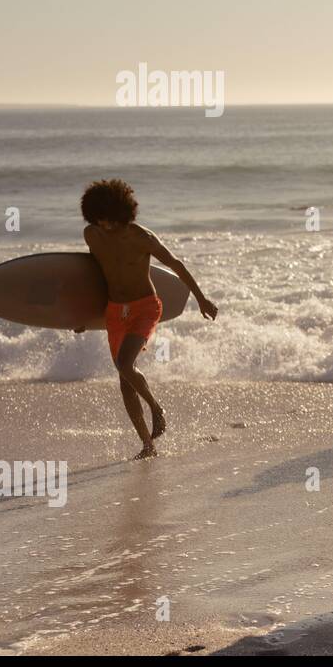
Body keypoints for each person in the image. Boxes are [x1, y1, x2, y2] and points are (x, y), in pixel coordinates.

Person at [80, 179, 218, 459]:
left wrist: (201, 298)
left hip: (145, 307)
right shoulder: (91, 235)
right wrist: (82, 315)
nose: (105, 226)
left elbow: (176, 265)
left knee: (124, 364)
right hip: (115, 311)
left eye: (110, 221)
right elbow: (93, 276)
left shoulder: (141, 237)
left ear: (123, 213)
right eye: (99, 220)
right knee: (124, 380)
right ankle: (147, 445)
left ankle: (156, 408)